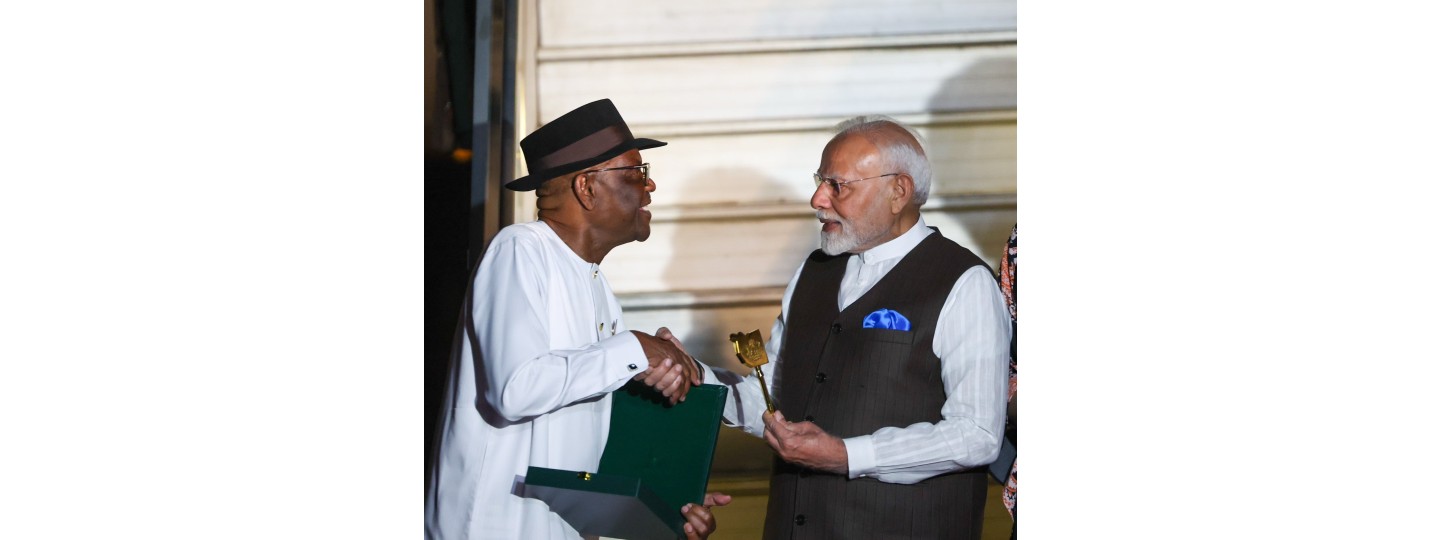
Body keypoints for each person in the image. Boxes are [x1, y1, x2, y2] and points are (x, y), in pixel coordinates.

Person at [425, 99, 729, 540]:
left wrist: (665, 504)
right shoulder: (520, 250)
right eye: (637, 173)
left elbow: (587, 430)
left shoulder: (597, 287)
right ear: (587, 187)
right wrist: (635, 349)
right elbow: (516, 389)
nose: (652, 186)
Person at [696, 115, 1011, 539]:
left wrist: (846, 455)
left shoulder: (963, 282)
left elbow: (976, 435)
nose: (817, 199)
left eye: (836, 185)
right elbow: (773, 401)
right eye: (819, 181)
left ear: (898, 191)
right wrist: (695, 377)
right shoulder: (813, 273)